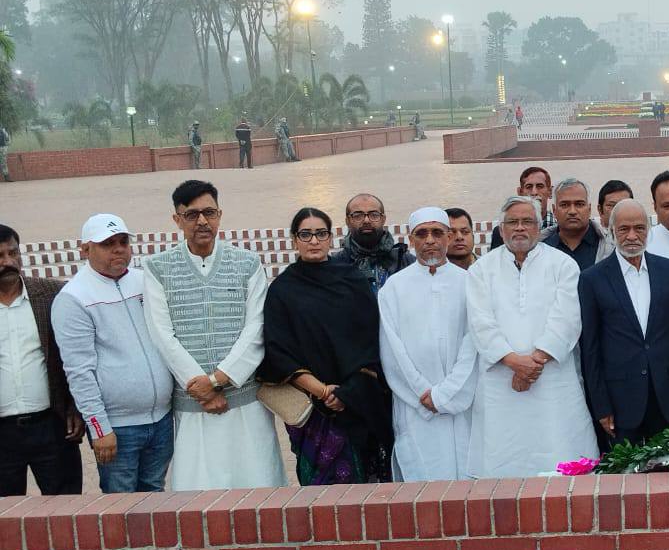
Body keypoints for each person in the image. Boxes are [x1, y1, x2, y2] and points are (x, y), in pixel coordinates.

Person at [142, 180, 284, 490]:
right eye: (191, 215)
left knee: (257, 486)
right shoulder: (157, 268)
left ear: (220, 215)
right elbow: (161, 334)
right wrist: (202, 388)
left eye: (209, 212)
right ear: (177, 220)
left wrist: (218, 380)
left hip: (245, 400)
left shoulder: (247, 263)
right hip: (194, 404)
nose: (202, 221)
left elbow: (256, 328)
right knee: (197, 495)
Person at [258, 207, 392, 485]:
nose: (314, 241)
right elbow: (277, 350)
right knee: (319, 493)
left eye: (320, 233)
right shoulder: (283, 289)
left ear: (330, 238)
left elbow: (370, 340)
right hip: (311, 408)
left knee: (365, 489)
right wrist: (322, 391)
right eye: (305, 234)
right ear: (294, 240)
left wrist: (347, 393)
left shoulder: (352, 280)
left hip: (357, 400)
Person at [466, 196, 598, 477]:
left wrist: (532, 364)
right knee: (503, 468)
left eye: (527, 221)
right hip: (501, 382)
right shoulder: (481, 270)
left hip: (552, 381)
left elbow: (566, 320)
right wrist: (514, 362)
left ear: (539, 226)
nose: (520, 228)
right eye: (512, 222)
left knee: (560, 458)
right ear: (501, 229)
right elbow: (480, 323)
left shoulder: (563, 265)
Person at [52, 214, 173, 493]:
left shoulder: (146, 282)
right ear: (86, 249)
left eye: (123, 242)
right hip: (117, 427)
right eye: (107, 244)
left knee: (155, 496)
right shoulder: (74, 298)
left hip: (162, 420)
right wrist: (99, 427)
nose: (118, 249)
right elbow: (79, 371)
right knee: (120, 505)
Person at [579, 199, 669, 446]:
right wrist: (601, 405)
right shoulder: (592, 279)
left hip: (667, 395)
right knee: (626, 470)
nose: (632, 236)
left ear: (649, 229)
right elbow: (591, 349)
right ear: (611, 231)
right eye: (624, 229)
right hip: (619, 400)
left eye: (639, 228)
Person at [379, 207, 478, 479]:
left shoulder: (470, 283)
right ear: (411, 240)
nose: (430, 240)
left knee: (467, 482)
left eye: (437, 232)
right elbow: (392, 351)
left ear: (448, 236)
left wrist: (446, 394)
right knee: (422, 482)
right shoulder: (394, 288)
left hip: (461, 404)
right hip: (415, 406)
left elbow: (474, 344)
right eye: (422, 234)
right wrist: (423, 394)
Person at [0, 224, 83, 496]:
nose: (8, 262)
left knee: (65, 509)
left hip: (53, 427)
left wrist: (76, 407)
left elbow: (77, 354)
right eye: (0, 256)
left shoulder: (52, 295)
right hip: (2, 435)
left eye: (13, 253)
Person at [332, 192, 413, 290]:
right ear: (347, 221)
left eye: (374, 215)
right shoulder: (335, 265)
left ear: (383, 219)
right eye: (358, 216)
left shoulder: (405, 261)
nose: (366, 220)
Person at [544, 178, 611, 270]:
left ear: (589, 209)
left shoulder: (609, 245)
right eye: (564, 205)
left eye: (579, 204)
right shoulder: (542, 247)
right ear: (554, 210)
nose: (572, 211)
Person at [488, 166, 555, 249]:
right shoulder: (503, 232)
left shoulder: (560, 229)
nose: (534, 192)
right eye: (529, 187)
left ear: (550, 191)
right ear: (520, 192)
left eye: (540, 186)